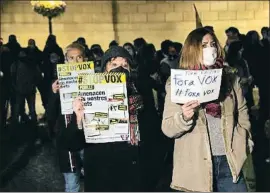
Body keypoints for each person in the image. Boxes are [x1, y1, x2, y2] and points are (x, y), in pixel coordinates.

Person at [162, 28, 254, 192]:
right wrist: (183, 117)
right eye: (204, 45)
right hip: (195, 167)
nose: (210, 48)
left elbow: (242, 112)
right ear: (193, 49)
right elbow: (168, 128)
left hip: (230, 162)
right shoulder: (178, 82)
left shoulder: (230, 77)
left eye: (212, 44)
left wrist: (244, 139)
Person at [59, 46, 145, 191]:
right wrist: (79, 118)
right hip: (100, 174)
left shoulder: (140, 100)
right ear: (105, 70)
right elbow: (71, 143)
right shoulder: (90, 98)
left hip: (131, 175)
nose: (120, 69)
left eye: (125, 65)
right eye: (114, 65)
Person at [48, 43, 86, 192]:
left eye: (79, 57)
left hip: (89, 140)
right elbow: (50, 114)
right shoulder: (57, 83)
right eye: (71, 58)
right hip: (67, 142)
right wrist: (53, 93)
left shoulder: (96, 80)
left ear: (85, 59)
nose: (76, 62)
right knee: (72, 185)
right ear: (65, 61)